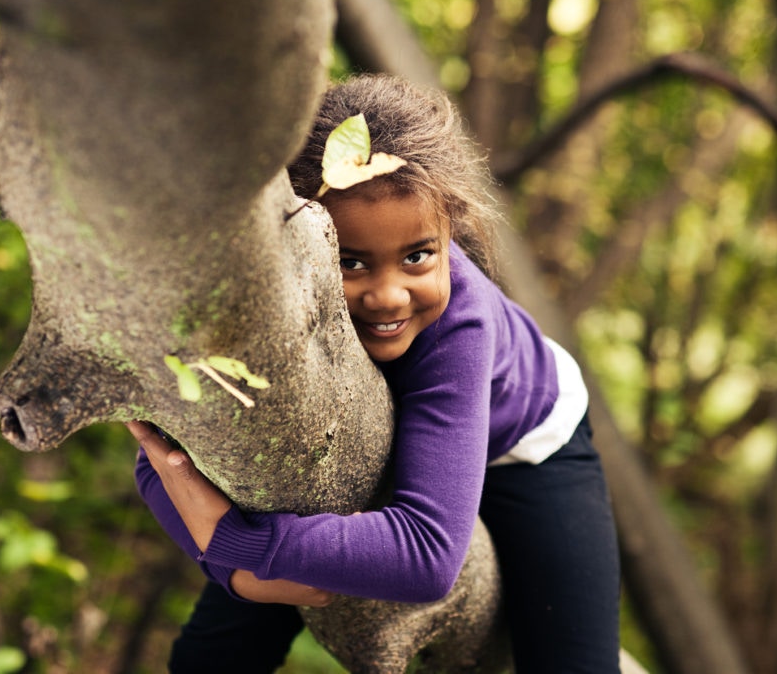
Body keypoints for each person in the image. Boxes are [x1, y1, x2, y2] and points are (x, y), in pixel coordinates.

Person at [128, 74, 621, 673]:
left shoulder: (456, 324)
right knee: (213, 653)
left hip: (526, 447)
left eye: (418, 256)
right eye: (350, 261)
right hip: (363, 446)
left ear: (449, 234)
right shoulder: (265, 306)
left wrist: (240, 547)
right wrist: (233, 574)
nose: (389, 296)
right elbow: (161, 455)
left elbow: (428, 559)